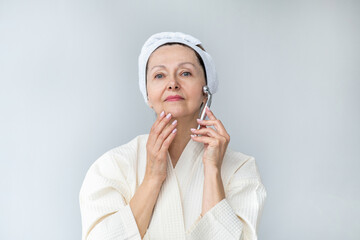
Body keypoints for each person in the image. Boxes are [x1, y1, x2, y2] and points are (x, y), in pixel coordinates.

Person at [79, 32, 267, 240]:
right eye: (159, 75)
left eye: (185, 73)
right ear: (148, 94)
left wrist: (212, 171)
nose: (172, 83)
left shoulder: (240, 168)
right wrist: (152, 178)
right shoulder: (111, 166)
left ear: (206, 90)